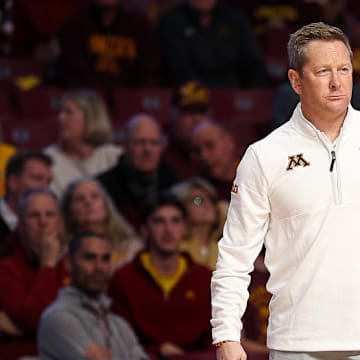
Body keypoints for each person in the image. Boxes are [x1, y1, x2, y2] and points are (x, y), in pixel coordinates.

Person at [211, 21, 360, 360]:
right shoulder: (264, 156)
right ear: (296, 80)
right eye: (323, 71)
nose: (337, 82)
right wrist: (225, 334)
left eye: (344, 69)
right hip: (297, 343)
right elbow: (235, 253)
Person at [108, 192, 213, 358]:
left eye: (175, 221)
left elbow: (215, 338)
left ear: (184, 228)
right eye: (159, 222)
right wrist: (156, 350)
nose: (168, 230)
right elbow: (118, 341)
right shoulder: (124, 279)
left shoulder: (204, 278)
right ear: (144, 230)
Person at [38, 232, 148, 360]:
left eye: (105, 259)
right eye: (89, 258)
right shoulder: (57, 317)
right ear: (69, 263)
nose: (99, 267)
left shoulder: (118, 323)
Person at [0, 187, 68, 359]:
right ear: (21, 226)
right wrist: (47, 265)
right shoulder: (6, 269)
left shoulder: (75, 263)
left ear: (60, 224)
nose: (43, 222)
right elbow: (36, 321)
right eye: (34, 216)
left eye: (50, 215)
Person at [158, 0, 270, 87]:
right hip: (191, 95)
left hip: (233, 90)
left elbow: (254, 62)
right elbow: (179, 68)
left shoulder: (235, 19)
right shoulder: (172, 21)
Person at [97, 113, 179, 227]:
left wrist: (198, 201)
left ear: (161, 148)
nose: (147, 150)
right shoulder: (103, 187)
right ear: (126, 146)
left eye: (154, 143)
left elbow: (195, 199)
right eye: (140, 142)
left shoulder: (174, 182)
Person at [55, 0, 159, 88]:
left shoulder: (139, 25)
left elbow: (150, 70)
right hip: (88, 101)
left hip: (131, 100)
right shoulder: (75, 25)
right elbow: (74, 71)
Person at [44, 89, 123, 198]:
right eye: (61, 112)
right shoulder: (49, 160)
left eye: (68, 112)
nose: (60, 118)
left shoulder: (114, 157)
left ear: (90, 117)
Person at [62, 178, 143, 270]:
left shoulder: (132, 248)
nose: (88, 202)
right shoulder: (62, 253)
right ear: (69, 213)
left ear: (106, 207)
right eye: (80, 199)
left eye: (95, 196)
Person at [0, 150, 52, 258]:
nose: (45, 187)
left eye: (49, 182)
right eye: (37, 178)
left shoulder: (52, 223)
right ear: (13, 182)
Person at [170, 177, 228, 270]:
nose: (207, 204)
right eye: (198, 200)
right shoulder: (174, 249)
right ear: (180, 209)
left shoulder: (225, 249)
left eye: (210, 199)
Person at [163, 80, 212, 178]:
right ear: (173, 115)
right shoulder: (160, 156)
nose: (197, 119)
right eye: (190, 112)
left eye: (202, 112)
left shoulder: (219, 159)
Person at [191, 120, 240, 201]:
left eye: (210, 146)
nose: (204, 156)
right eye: (197, 151)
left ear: (229, 142)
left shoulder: (256, 178)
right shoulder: (197, 192)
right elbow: (196, 202)